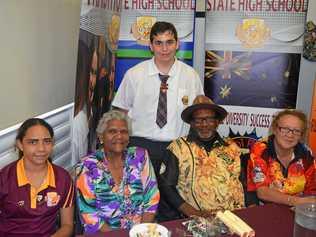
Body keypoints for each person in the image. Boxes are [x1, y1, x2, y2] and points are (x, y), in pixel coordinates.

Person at [112, 21, 204, 221]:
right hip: (141, 147)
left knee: (173, 204)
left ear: (177, 44)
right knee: (139, 201)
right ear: (150, 45)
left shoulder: (190, 76)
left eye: (169, 42)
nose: (164, 48)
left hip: (177, 148)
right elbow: (119, 112)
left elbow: (199, 113)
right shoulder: (135, 75)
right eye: (159, 43)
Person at [159, 95, 244, 220]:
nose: (204, 125)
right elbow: (166, 186)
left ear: (217, 122)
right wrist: (192, 212)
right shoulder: (177, 148)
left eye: (209, 119)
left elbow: (242, 182)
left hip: (234, 217)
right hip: (196, 219)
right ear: (191, 123)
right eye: (198, 120)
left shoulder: (232, 147)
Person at [76, 110, 160, 234]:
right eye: (112, 131)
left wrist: (140, 232)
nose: (119, 136)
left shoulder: (140, 156)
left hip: (141, 230)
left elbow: (152, 197)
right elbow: (89, 214)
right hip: (105, 233)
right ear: (101, 136)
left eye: (124, 131)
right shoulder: (87, 166)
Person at [0, 118, 74, 237]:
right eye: (33, 142)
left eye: (47, 141)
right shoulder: (4, 178)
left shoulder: (63, 178)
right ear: (20, 145)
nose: (41, 149)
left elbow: (67, 225)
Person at [247, 109, 316, 206]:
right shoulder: (261, 150)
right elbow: (262, 192)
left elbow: (312, 190)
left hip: (298, 211)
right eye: (285, 129)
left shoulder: (306, 155)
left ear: (301, 135)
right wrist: (296, 201)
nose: (290, 135)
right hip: (266, 209)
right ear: (275, 129)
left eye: (296, 131)